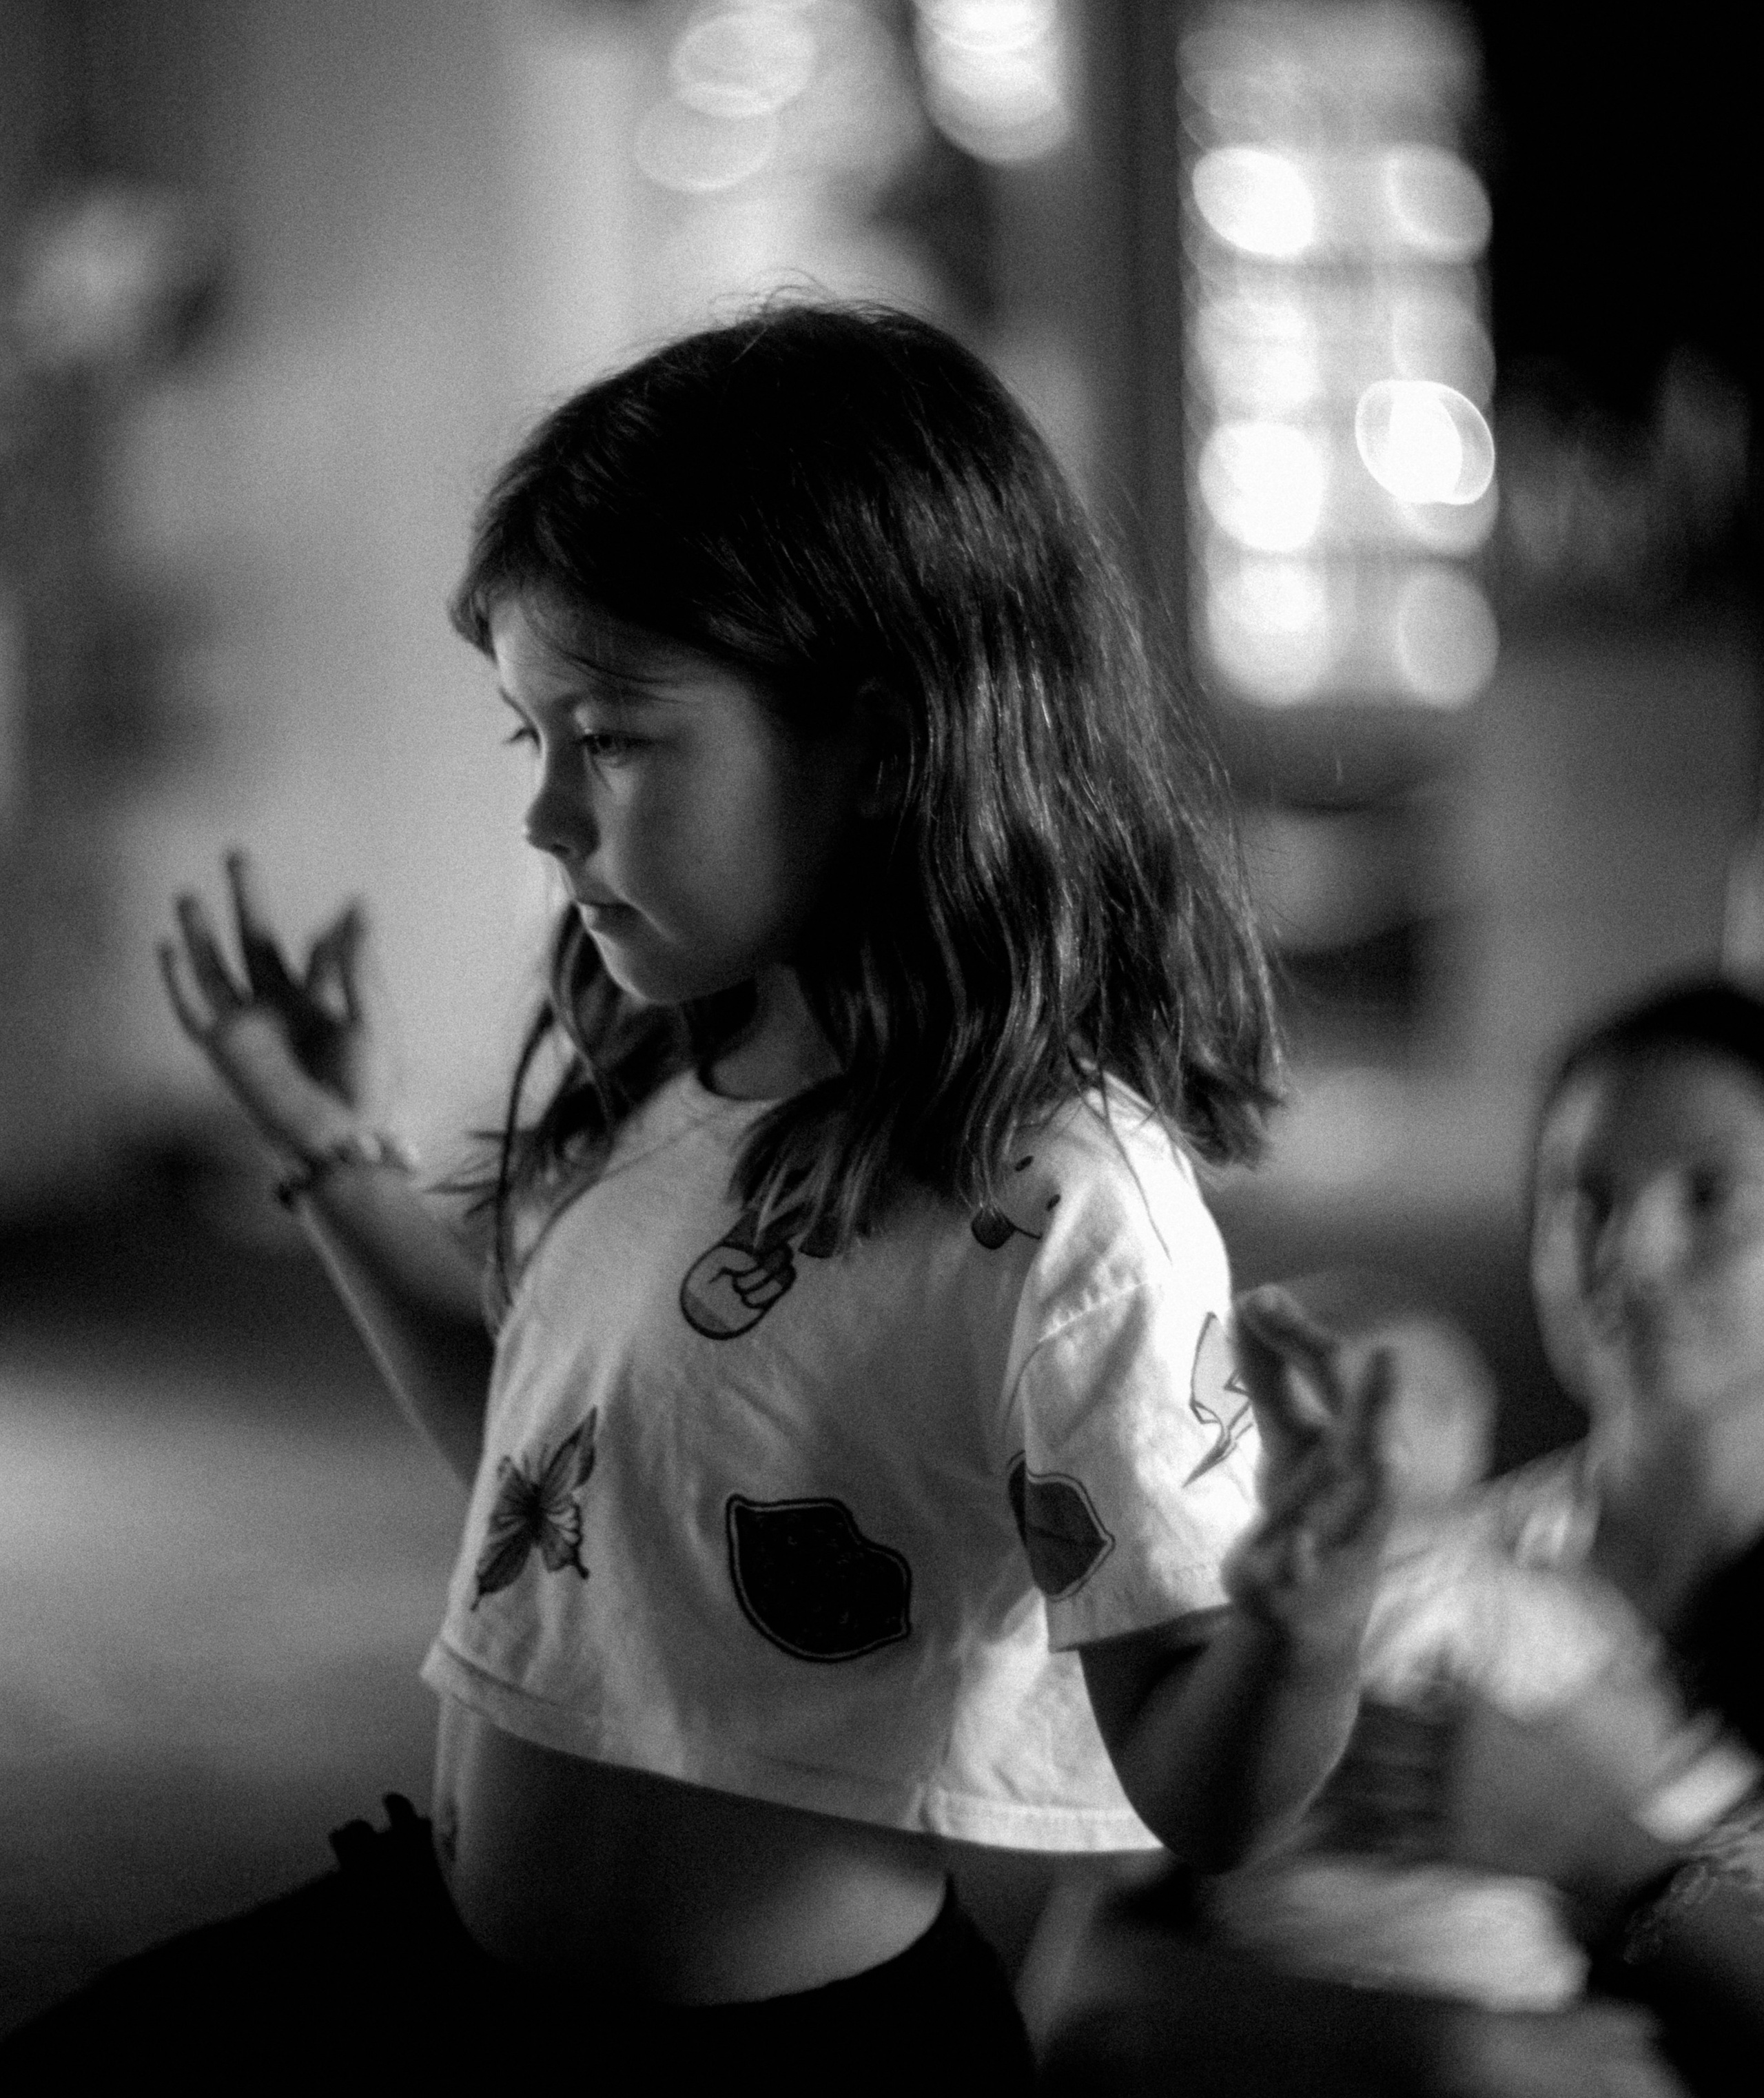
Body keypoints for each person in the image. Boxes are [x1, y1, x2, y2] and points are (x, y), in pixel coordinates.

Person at [3, 302, 1400, 2094]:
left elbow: (1206, 1798)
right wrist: (329, 1150)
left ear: (879, 740)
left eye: (610, 737)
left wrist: (1308, 1621)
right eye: (529, 738)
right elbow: (555, 1478)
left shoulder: (1062, 1204)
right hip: (443, 1957)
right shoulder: (678, 1067)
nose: (546, 818)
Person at [1040, 978, 1764, 2097]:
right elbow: (1080, 1987)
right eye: (1582, 1199)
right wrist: (1441, 2052)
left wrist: (1600, 1851)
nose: (1632, 1253)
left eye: (1711, 1194)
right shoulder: (1412, 1565)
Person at [1202, 1276, 1759, 2015]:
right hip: (1269, 1986)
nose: (1637, 1252)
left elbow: (1670, 1777)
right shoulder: (1247, 1600)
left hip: (1488, 1984)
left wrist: (1602, 1842)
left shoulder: (1510, 1601)